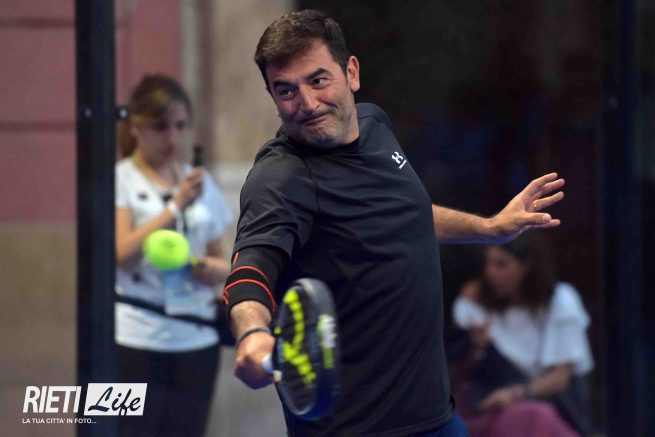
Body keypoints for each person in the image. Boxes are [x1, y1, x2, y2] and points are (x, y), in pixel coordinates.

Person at [222, 10, 565, 436]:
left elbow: (406, 213)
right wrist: (252, 332)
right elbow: (250, 271)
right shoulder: (280, 179)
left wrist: (490, 228)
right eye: (286, 90)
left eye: (318, 80)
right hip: (356, 429)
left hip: (438, 419)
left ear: (351, 72)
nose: (306, 104)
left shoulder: (375, 126)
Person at [114, 74, 232, 436]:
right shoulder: (121, 179)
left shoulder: (199, 183)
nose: (172, 137)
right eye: (161, 126)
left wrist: (212, 269)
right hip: (135, 337)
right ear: (136, 127)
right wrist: (175, 206)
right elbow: (122, 254)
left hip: (196, 337)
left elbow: (223, 258)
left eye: (180, 126)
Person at [451, 234, 594, 437]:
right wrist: (476, 345)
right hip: (490, 406)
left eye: (501, 265)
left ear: (527, 267)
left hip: (552, 405)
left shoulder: (560, 300)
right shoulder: (477, 307)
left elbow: (560, 378)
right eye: (487, 264)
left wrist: (515, 394)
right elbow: (461, 374)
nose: (490, 272)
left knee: (534, 416)